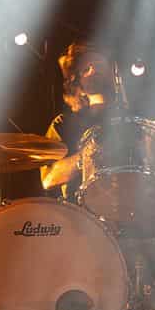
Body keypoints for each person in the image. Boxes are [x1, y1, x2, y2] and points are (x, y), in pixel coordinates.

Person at [39, 40, 123, 196]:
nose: (93, 71)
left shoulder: (130, 118)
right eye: (86, 69)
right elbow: (49, 178)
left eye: (99, 65)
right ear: (78, 84)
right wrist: (86, 156)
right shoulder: (63, 124)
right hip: (79, 208)